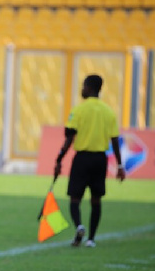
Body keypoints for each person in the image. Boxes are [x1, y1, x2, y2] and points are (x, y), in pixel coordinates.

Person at [54, 74, 125, 248]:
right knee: (96, 200)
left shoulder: (78, 110)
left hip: (82, 159)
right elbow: (115, 140)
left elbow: (69, 138)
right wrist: (120, 165)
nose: (82, 89)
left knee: (75, 198)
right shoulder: (108, 111)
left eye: (84, 86)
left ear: (90, 88)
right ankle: (91, 239)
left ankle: (79, 226)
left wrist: (59, 159)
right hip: (100, 159)